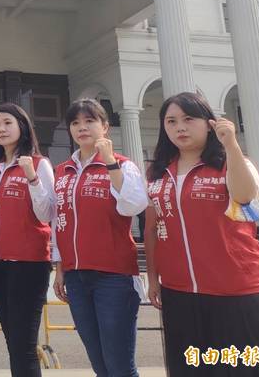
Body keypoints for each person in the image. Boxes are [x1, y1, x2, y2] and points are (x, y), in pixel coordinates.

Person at [145, 92, 259, 376]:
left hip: (236, 291)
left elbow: (245, 194)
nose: (180, 127)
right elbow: (153, 229)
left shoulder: (231, 163)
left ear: (209, 123)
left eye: (189, 119)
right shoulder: (158, 174)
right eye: (171, 121)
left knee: (240, 368)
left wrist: (231, 146)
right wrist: (154, 278)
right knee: (193, 368)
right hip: (180, 293)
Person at [51, 98, 148, 377]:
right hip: (76, 278)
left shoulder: (123, 165)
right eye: (75, 122)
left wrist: (109, 164)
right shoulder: (63, 171)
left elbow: (133, 205)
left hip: (114, 277)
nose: (82, 127)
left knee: (119, 366)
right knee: (99, 363)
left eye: (89, 121)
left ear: (105, 126)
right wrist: (60, 268)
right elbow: (60, 220)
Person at [0, 102, 55, 376]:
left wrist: (32, 178)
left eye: (7, 123)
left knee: (23, 344)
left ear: (22, 127)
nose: (1, 129)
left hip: (28, 263)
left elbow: (46, 212)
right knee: (13, 341)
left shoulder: (39, 164)